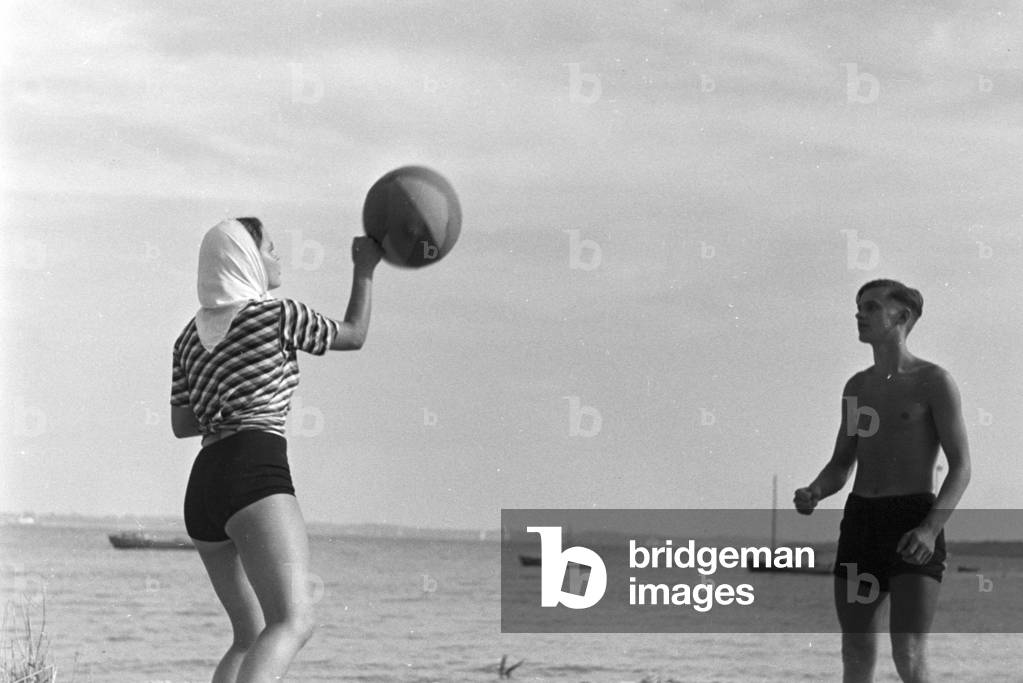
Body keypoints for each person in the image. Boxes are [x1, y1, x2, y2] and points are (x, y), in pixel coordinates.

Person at [170, 217, 382, 683]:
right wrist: (364, 269)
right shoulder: (277, 314)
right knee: (293, 621)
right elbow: (354, 335)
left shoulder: (188, 335)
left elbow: (182, 424)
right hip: (254, 468)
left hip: (204, 482)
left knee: (247, 636)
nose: (277, 256)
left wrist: (222, 398)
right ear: (246, 258)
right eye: (269, 248)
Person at [794, 279, 971, 683]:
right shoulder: (857, 388)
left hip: (912, 523)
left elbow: (961, 466)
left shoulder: (934, 381)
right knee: (855, 648)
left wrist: (929, 530)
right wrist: (816, 490)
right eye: (859, 307)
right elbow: (842, 462)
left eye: (871, 307)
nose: (860, 314)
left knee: (907, 651)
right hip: (861, 523)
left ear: (902, 317)